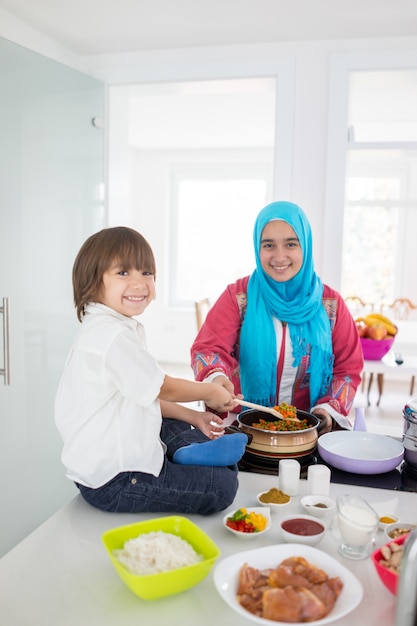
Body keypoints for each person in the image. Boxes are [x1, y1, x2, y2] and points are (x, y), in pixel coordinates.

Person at [55, 226, 248, 515]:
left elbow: (144, 395)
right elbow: (163, 388)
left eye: (146, 273)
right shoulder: (111, 336)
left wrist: (195, 415)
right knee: (223, 485)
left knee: (173, 420)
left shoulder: (107, 326)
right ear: (92, 280)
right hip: (115, 482)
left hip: (101, 463)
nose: (139, 283)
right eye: (123, 273)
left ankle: (184, 450)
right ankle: (183, 451)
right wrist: (209, 391)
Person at [191, 201, 364, 433]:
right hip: (242, 426)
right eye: (269, 245)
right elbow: (208, 349)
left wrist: (327, 410)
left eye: (290, 244)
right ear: (257, 248)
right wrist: (215, 378)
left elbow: (348, 368)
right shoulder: (238, 296)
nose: (279, 256)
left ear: (305, 245)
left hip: (306, 430)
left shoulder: (331, 304)